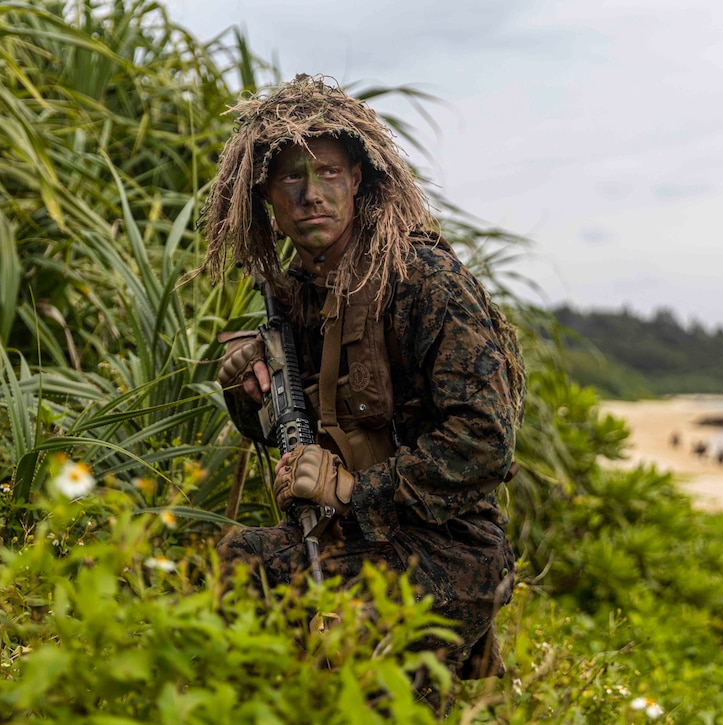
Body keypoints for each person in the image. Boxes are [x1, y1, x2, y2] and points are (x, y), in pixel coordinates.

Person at [202, 75, 523, 705]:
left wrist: (351, 488)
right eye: (290, 177)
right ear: (265, 193)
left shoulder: (420, 278)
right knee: (235, 569)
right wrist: (248, 392)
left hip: (446, 547)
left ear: (358, 181)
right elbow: (288, 430)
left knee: (350, 670)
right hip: (351, 535)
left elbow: (487, 441)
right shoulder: (300, 290)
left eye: (327, 172)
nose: (310, 194)